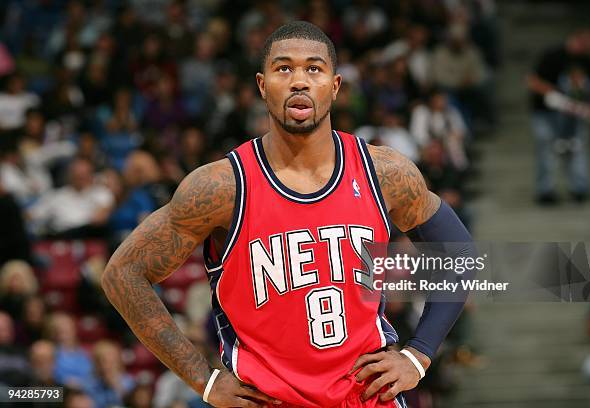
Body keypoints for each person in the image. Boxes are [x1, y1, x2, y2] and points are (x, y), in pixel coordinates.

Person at [102, 21, 474, 407]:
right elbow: (123, 274)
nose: (299, 80)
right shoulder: (221, 188)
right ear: (263, 86)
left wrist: (419, 354)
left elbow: (460, 253)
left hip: (367, 398)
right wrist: (205, 380)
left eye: (314, 68)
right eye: (284, 68)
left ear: (335, 85)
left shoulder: (385, 173)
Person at [527, 29, 590, 204]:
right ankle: (545, 190)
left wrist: (578, 105)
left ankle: (579, 188)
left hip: (573, 115)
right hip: (545, 113)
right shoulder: (553, 55)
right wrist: (556, 94)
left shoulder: (589, 61)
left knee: (577, 148)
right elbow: (532, 81)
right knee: (546, 150)